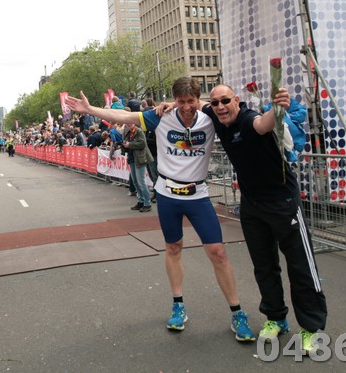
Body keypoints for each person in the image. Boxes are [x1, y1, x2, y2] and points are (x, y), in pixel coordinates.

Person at [65, 77, 255, 341]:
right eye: (181, 102)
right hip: (168, 194)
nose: (186, 107)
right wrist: (90, 110)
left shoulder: (209, 116)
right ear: (174, 100)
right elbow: (125, 116)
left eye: (191, 101)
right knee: (173, 247)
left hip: (198, 195)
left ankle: (237, 312)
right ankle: (178, 305)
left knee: (218, 253)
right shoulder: (160, 117)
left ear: (197, 100)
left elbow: (232, 111)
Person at [201, 84, 327, 356]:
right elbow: (193, 106)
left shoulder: (248, 120)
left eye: (225, 101)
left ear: (236, 100)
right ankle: (276, 317)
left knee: (301, 266)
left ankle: (311, 327)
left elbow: (264, 123)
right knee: (264, 266)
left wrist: (278, 107)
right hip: (252, 206)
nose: (220, 106)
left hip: (282, 203)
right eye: (215, 102)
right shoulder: (215, 115)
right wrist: (171, 106)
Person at [123, 120, 153, 212]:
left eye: (130, 122)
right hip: (132, 158)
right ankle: (141, 201)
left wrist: (130, 144)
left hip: (139, 159)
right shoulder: (128, 132)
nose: (128, 124)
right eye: (127, 123)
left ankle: (147, 203)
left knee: (141, 182)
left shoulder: (139, 131)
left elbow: (143, 144)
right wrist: (124, 145)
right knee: (135, 182)